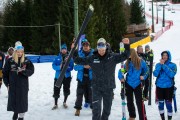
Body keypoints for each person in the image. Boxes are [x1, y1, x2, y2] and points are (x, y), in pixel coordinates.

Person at [73, 38, 130, 120]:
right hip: (96, 88)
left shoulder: (112, 57)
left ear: (105, 47)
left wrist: (127, 45)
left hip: (108, 88)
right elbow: (78, 60)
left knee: (107, 110)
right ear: (97, 47)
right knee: (96, 110)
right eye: (99, 48)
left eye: (103, 48)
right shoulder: (92, 58)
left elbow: (125, 55)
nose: (101, 50)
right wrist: (74, 49)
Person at [3, 44, 34, 120]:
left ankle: (21, 117)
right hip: (13, 86)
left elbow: (31, 71)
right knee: (14, 102)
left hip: (23, 86)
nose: (20, 54)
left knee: (22, 103)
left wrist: (24, 71)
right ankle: (15, 113)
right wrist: (7, 84)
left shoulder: (26, 61)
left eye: (21, 52)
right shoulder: (10, 61)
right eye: (18, 52)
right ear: (15, 52)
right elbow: (5, 74)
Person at [118, 48, 149, 120]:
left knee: (140, 102)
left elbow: (147, 70)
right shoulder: (127, 63)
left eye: (129, 54)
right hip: (129, 84)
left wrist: (143, 76)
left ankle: (143, 117)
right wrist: (121, 77)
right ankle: (132, 116)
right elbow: (121, 71)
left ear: (133, 54)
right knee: (129, 102)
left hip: (138, 84)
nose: (128, 56)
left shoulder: (141, 61)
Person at [153, 51, 177, 120]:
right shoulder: (158, 64)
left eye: (166, 55)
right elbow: (155, 74)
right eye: (163, 55)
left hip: (169, 88)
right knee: (160, 105)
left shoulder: (173, 65)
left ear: (168, 56)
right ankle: (162, 118)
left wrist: (163, 65)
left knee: (168, 105)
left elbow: (171, 74)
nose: (165, 56)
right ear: (162, 56)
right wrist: (160, 66)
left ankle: (169, 118)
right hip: (159, 87)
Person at [74, 39, 94, 116]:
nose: (85, 47)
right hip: (81, 78)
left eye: (87, 45)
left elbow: (97, 65)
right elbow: (75, 67)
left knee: (92, 94)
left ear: (89, 46)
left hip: (91, 78)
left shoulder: (93, 54)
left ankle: (93, 109)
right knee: (79, 94)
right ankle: (78, 109)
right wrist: (83, 66)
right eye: (84, 46)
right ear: (82, 46)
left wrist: (91, 66)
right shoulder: (78, 54)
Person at [52, 44, 74, 110]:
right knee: (56, 89)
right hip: (58, 76)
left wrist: (67, 68)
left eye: (65, 49)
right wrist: (59, 67)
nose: (64, 50)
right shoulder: (57, 57)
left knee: (66, 89)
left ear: (66, 50)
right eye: (62, 49)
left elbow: (72, 67)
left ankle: (64, 102)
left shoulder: (70, 58)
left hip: (67, 76)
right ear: (61, 50)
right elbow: (53, 66)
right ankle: (55, 104)